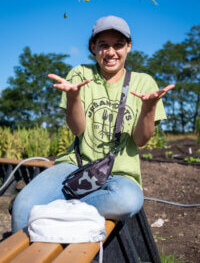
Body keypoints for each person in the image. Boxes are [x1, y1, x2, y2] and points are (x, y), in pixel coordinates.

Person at [12, 15, 174, 233]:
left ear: (128, 47)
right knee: (22, 206)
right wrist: (74, 97)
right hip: (75, 167)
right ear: (93, 47)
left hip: (121, 175)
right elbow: (78, 130)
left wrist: (148, 108)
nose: (110, 52)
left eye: (118, 45)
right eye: (103, 45)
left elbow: (140, 140)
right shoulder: (81, 75)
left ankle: (55, 213)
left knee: (127, 201)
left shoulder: (144, 82)